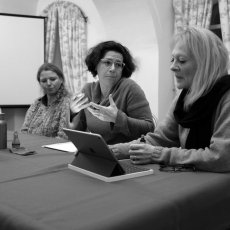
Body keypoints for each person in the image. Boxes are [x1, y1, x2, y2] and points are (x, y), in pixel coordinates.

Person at [110, 26, 230, 172]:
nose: (172, 67)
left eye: (182, 61)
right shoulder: (185, 96)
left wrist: (157, 154)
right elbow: (159, 139)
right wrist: (114, 150)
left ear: (206, 64)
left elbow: (221, 158)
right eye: (172, 59)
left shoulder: (226, 97)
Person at [69, 40, 155, 144]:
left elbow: (149, 128)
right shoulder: (87, 90)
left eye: (118, 64)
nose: (113, 68)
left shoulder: (130, 88)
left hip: (127, 155)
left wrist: (117, 118)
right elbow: (77, 131)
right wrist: (72, 113)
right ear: (96, 64)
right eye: (107, 63)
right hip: (98, 152)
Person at [21, 63, 70, 139]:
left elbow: (63, 136)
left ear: (61, 79)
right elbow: (24, 130)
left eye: (53, 79)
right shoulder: (36, 103)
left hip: (52, 149)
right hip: (31, 147)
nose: (49, 83)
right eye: (44, 81)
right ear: (40, 83)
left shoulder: (67, 103)